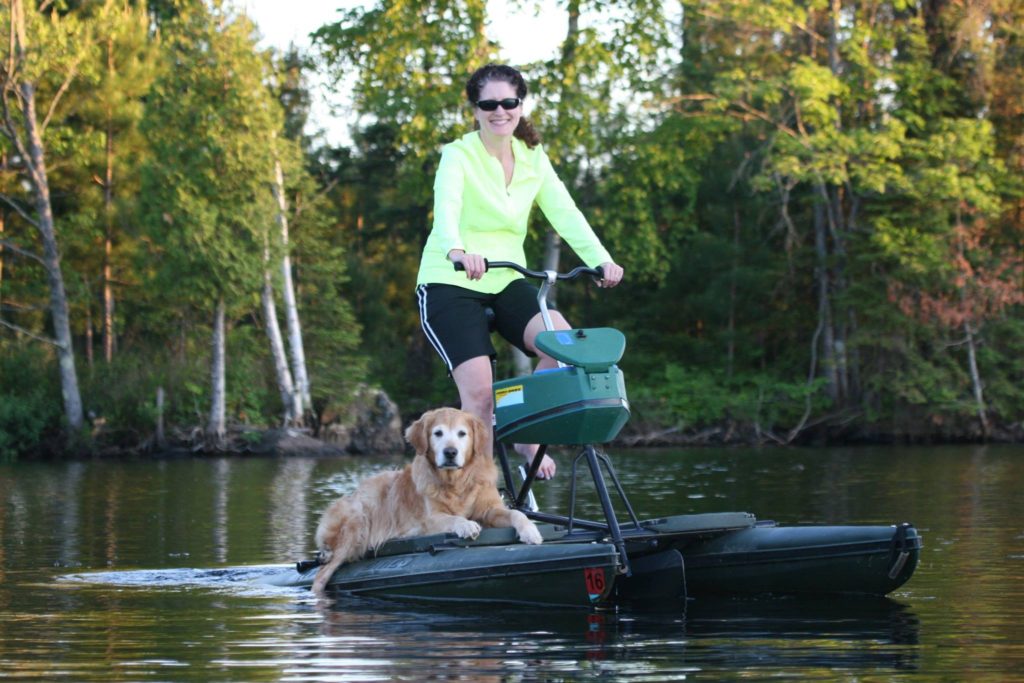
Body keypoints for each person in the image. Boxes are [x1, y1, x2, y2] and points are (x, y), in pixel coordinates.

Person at [415, 63, 624, 480]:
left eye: (508, 102)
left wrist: (602, 259)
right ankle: (483, 498)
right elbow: (448, 211)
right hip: (450, 279)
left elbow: (566, 213)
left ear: (520, 105)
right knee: (478, 397)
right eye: (488, 104)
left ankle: (523, 431)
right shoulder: (458, 155)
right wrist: (457, 250)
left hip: (506, 277)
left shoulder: (533, 158)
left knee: (564, 348)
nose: (499, 111)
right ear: (475, 109)